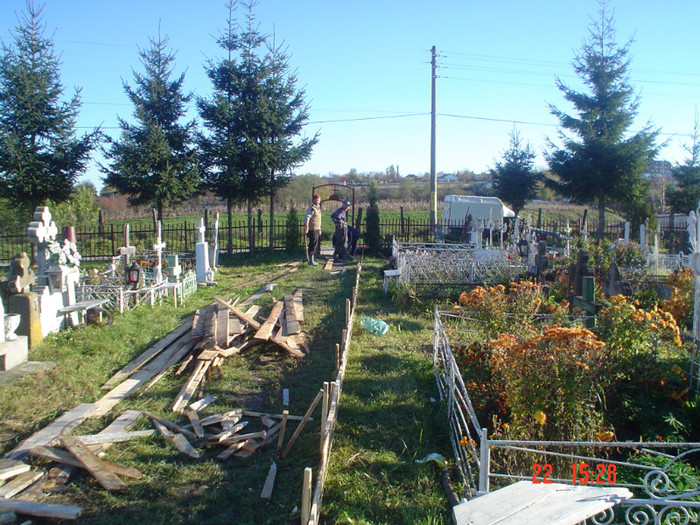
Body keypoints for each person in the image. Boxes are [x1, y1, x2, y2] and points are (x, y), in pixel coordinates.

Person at [304, 194, 322, 265]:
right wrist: (307, 227)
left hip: (317, 228)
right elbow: (307, 218)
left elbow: (318, 220)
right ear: (313, 200)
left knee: (315, 244)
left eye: (319, 200)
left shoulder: (318, 208)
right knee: (312, 244)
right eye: (316, 200)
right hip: (312, 229)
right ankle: (310, 260)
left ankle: (312, 259)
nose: (318, 201)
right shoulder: (311, 208)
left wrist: (320, 229)